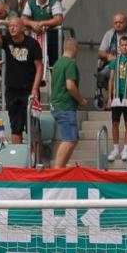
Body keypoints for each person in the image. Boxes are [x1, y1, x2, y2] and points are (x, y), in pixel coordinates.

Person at [0, 16, 43, 144]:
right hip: (12, 90)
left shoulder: (32, 44)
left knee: (33, 128)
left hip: (29, 91)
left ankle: (37, 161)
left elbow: (39, 67)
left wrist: (35, 89)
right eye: (10, 26)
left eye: (15, 26)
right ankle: (19, 161)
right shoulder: (7, 40)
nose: (12, 28)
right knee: (16, 128)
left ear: (23, 28)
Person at [50, 38, 86, 168]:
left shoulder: (58, 63)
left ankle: (61, 167)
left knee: (72, 138)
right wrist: (81, 100)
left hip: (56, 105)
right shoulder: (70, 64)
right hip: (65, 106)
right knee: (69, 140)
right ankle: (57, 170)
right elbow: (70, 86)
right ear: (75, 48)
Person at [97, 13, 127, 94]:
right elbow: (100, 52)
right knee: (102, 75)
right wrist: (108, 55)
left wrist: (124, 57)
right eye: (116, 23)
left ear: (126, 22)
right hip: (113, 64)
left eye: (120, 22)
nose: (118, 25)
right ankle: (111, 94)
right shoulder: (109, 34)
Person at [22, 0, 65, 66]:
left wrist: (42, 23)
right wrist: (32, 23)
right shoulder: (30, 3)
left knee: (55, 66)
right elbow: (23, 20)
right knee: (35, 67)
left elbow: (59, 19)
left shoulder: (55, 2)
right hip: (36, 42)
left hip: (54, 41)